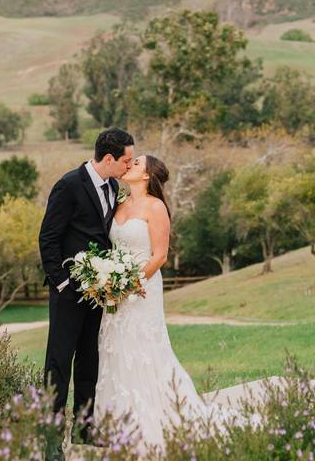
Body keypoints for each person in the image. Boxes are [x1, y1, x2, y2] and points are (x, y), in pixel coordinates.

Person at [95, 154, 239, 456]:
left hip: (142, 288)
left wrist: (129, 284)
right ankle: (117, 424)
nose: (129, 165)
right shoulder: (119, 202)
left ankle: (156, 420)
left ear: (147, 176)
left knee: (143, 348)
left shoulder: (155, 207)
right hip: (115, 290)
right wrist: (109, 281)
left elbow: (159, 256)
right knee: (115, 346)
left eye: (136, 163)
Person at [38, 127, 134, 448]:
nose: (128, 167)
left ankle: (83, 431)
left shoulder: (114, 186)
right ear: (109, 158)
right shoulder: (68, 185)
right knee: (59, 364)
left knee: (89, 362)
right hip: (68, 292)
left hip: (98, 293)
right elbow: (48, 238)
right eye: (126, 161)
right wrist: (63, 283)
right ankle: (50, 441)